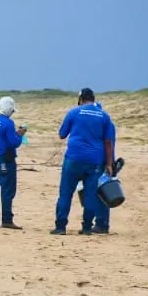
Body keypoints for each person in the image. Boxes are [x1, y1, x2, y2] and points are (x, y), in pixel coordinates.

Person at [53, 88, 117, 235]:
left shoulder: (74, 112)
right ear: (93, 99)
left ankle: (60, 226)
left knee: (65, 193)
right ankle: (87, 227)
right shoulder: (104, 116)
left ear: (80, 99)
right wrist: (108, 163)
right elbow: (108, 142)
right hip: (94, 161)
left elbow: (62, 134)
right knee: (90, 194)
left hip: (73, 158)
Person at [0, 96, 24, 229]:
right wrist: (20, 134)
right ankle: (7, 219)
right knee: (7, 190)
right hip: (5, 159)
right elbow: (14, 142)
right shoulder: (7, 123)